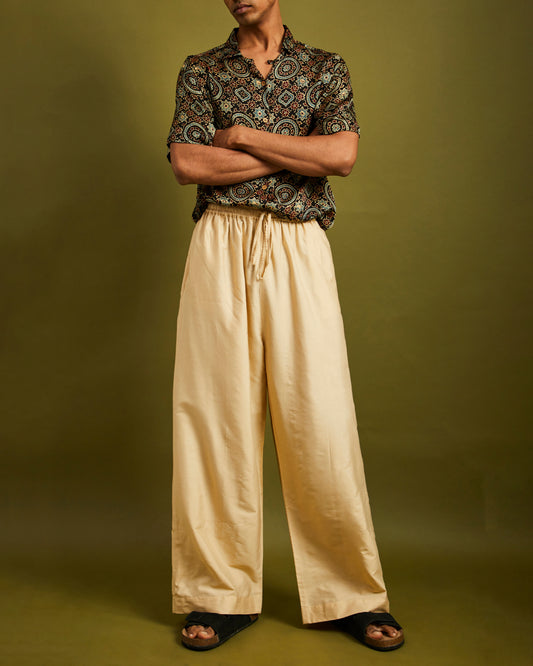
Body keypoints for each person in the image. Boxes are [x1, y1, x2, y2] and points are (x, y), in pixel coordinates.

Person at [165, 0, 405, 653]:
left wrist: (242, 137)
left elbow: (342, 156)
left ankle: (349, 593)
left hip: (299, 243)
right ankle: (218, 592)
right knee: (214, 416)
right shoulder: (201, 69)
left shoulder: (324, 68)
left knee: (319, 414)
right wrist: (299, 154)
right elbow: (188, 164)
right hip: (219, 241)